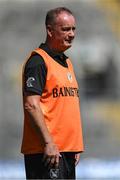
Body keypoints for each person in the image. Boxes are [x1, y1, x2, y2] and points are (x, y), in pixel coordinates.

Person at [21, 7, 84, 179]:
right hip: (48, 152)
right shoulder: (38, 61)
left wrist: (73, 146)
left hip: (65, 151)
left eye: (73, 29)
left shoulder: (67, 63)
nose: (71, 34)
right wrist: (48, 143)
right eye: (65, 29)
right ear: (50, 30)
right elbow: (31, 104)